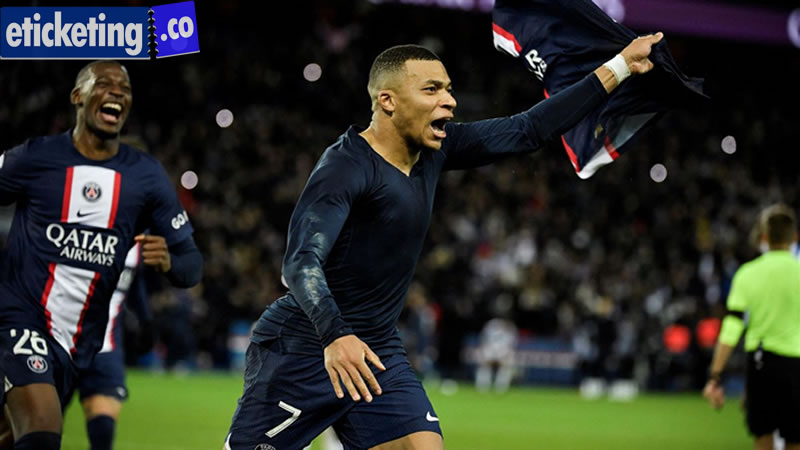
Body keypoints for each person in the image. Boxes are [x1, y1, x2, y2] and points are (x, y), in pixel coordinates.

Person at [225, 34, 663, 450]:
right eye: (432, 89)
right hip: (305, 347)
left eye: (449, 89)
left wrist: (621, 65)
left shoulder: (437, 151)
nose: (449, 101)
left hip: (376, 349)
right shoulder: (345, 167)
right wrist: (335, 336)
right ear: (388, 101)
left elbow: (529, 129)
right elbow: (300, 262)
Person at [0, 60, 203, 450]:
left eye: (124, 88)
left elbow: (191, 263)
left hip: (81, 345)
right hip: (21, 320)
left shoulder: (145, 176)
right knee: (42, 431)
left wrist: (170, 262)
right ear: (78, 96)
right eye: (105, 84)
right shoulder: (37, 157)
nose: (117, 92)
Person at [703, 204, 800, 450]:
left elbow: (732, 328)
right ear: (794, 237)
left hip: (762, 364)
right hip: (797, 365)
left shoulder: (748, 274)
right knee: (795, 439)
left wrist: (715, 375)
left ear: (764, 237)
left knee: (763, 436)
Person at [63, 241, 151, 450]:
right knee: (38, 429)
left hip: (105, 347)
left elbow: (135, 283)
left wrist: (146, 322)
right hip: (57, 344)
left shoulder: (139, 242)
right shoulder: (70, 225)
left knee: (103, 426)